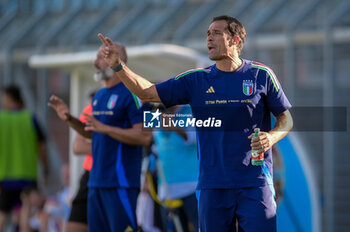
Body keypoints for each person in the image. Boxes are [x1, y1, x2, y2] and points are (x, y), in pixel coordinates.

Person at [97, 15, 293, 232]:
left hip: (255, 183)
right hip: (212, 186)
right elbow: (148, 92)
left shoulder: (261, 75)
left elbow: (286, 119)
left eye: (216, 33)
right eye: (207, 34)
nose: (209, 38)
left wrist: (271, 137)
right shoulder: (196, 80)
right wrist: (118, 66)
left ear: (235, 40)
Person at [48, 43, 151, 232]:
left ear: (117, 60)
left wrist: (105, 128)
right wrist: (69, 119)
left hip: (120, 183)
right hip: (95, 182)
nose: (95, 62)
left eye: (100, 58)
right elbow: (95, 133)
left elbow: (145, 137)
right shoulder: (100, 95)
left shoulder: (135, 93)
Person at [0, 85, 49, 232]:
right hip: (28, 175)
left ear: (8, 98)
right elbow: (42, 147)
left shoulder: (1, 119)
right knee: (24, 211)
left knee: (3, 213)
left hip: (6, 175)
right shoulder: (30, 118)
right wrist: (46, 169)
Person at [153, 105, 198, 232]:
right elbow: (154, 147)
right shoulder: (156, 114)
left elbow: (195, 138)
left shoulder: (190, 110)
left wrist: (173, 128)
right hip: (166, 190)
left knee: (200, 226)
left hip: (191, 187)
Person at [65, 91, 95, 232]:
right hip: (90, 174)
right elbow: (77, 146)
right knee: (74, 226)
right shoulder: (91, 108)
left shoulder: (131, 101)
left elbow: (142, 137)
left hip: (118, 176)